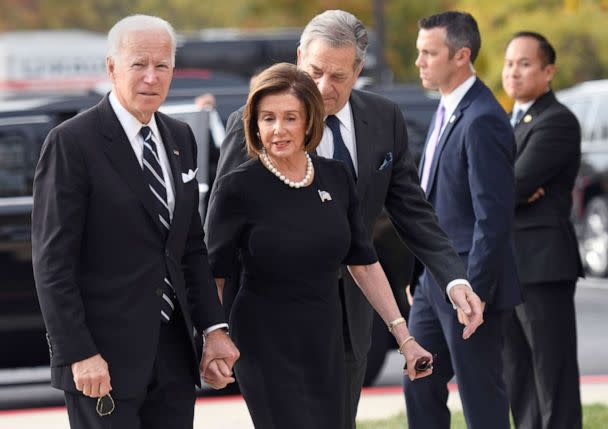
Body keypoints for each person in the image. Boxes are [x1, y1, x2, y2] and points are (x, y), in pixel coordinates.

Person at [210, 10, 484, 427]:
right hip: (268, 320)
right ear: (300, 57)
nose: (323, 87)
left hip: (351, 317)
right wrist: (213, 329)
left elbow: (411, 209)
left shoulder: (383, 119)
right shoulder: (254, 125)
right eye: (315, 70)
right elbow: (217, 242)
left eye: (338, 76)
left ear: (359, 70)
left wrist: (453, 277)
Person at [31, 15, 239, 429]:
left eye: (162, 66)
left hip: (174, 356)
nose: (151, 77)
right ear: (111, 67)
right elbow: (53, 263)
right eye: (138, 64)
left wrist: (214, 329)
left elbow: (190, 248)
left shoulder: (181, 138)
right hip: (100, 362)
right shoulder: (72, 143)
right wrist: (78, 353)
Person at [206, 62, 433, 428]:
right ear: (254, 124)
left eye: (290, 118)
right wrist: (213, 339)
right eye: (267, 119)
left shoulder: (337, 176)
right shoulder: (238, 187)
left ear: (310, 121)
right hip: (264, 343)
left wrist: (404, 338)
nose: (278, 129)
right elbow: (213, 272)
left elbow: (363, 262)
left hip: (327, 339)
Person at [405, 11, 522, 429]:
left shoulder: (483, 117)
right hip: (432, 284)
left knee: (480, 396)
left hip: (470, 289)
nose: (419, 62)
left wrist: (478, 292)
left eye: (428, 53)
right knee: (419, 384)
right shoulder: (447, 109)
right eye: (419, 52)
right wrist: (418, 272)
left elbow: (492, 217)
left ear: (461, 56)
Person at [502, 31, 584, 429]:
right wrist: (503, 188)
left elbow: (510, 186)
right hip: (507, 267)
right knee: (518, 376)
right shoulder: (505, 122)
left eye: (525, 63)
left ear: (548, 71)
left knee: (552, 377)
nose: (513, 72)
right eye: (509, 63)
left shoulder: (557, 121)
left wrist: (504, 188)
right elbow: (488, 186)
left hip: (542, 265)